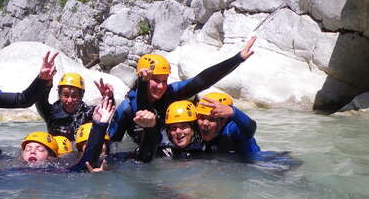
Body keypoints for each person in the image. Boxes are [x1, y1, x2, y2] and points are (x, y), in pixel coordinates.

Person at [108, 37, 257, 145]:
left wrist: (237, 59)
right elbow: (112, 144)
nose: (160, 86)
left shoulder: (172, 93)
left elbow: (203, 80)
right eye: (155, 80)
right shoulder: (126, 109)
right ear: (142, 77)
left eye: (164, 80)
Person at [35, 72, 115, 140]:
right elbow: (39, 100)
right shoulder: (50, 112)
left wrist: (108, 97)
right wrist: (46, 85)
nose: (69, 100)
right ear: (59, 95)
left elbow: (106, 112)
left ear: (81, 96)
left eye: (74, 96)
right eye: (66, 95)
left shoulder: (88, 113)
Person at [195, 92, 260, 154]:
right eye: (202, 117)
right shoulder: (197, 128)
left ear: (224, 121)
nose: (205, 123)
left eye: (212, 119)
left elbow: (250, 129)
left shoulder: (232, 129)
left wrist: (232, 112)